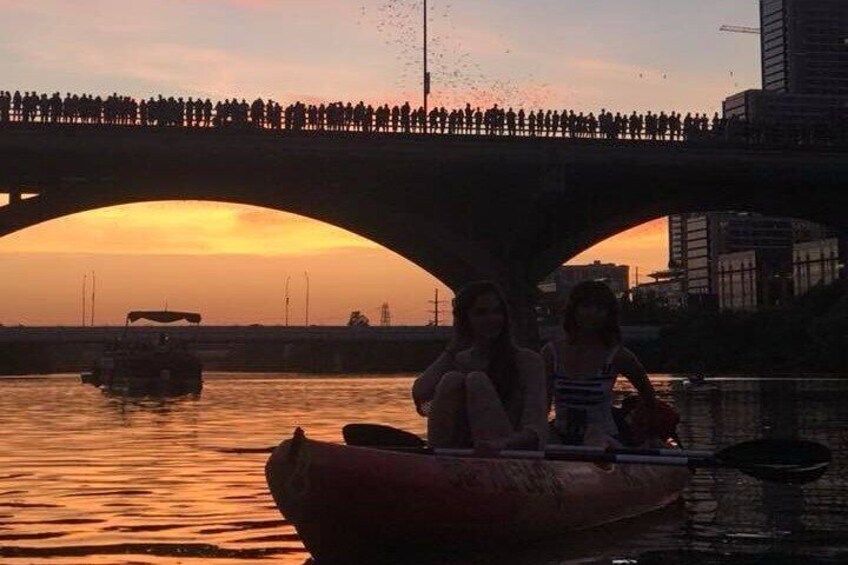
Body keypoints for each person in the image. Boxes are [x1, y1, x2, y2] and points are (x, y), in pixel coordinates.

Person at [411, 281, 548, 451]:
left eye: (497, 312)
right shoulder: (459, 361)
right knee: (451, 379)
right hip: (462, 448)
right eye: (481, 313)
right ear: (465, 320)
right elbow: (423, 401)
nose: (492, 319)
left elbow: (535, 428)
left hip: (508, 451)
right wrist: (453, 349)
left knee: (476, 380)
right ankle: (438, 457)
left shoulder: (528, 361)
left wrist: (501, 444)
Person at [542, 281, 674, 447]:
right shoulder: (551, 353)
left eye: (600, 308)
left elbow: (648, 396)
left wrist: (650, 435)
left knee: (594, 438)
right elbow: (542, 403)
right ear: (573, 310)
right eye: (586, 306)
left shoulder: (618, 356)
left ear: (608, 315)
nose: (592, 313)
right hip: (560, 437)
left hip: (603, 440)